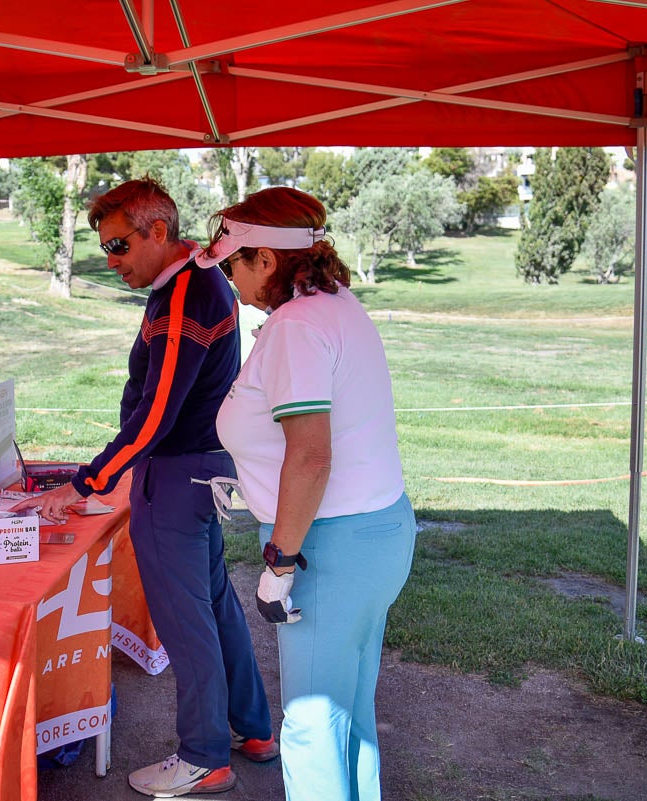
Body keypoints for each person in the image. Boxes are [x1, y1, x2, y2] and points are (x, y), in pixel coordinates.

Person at [11, 178, 276, 798]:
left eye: (118, 246)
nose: (111, 261)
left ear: (158, 231)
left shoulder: (185, 293)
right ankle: (253, 728)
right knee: (213, 606)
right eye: (104, 248)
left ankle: (204, 755)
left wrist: (87, 482)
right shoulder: (194, 283)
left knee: (187, 622)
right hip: (200, 469)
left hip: (175, 474)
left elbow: (154, 416)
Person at [200, 186, 418, 801]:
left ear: (265, 260)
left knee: (310, 723)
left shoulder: (297, 326)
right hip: (374, 534)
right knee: (347, 711)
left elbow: (312, 453)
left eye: (235, 264)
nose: (232, 281)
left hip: (329, 545)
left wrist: (280, 560)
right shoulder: (334, 303)